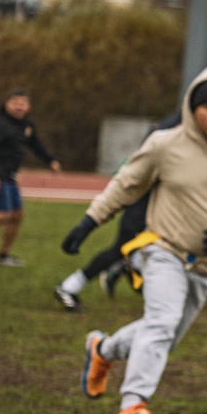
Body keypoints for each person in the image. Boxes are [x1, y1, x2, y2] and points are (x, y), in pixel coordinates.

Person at [60, 66, 207, 414]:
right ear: (191, 108)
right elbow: (125, 186)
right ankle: (131, 406)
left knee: (163, 337)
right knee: (160, 323)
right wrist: (88, 221)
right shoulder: (165, 144)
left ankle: (103, 349)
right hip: (161, 250)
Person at [54, 111, 181, 311]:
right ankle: (70, 286)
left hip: (157, 207)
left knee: (148, 252)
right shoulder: (169, 132)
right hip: (144, 205)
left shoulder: (181, 129)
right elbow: (133, 178)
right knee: (122, 249)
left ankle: (124, 270)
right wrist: (88, 223)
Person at [0, 89, 61, 267]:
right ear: (6, 104)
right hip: (0, 176)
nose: (19, 106)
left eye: (23, 103)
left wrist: (50, 160)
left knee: (17, 215)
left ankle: (3, 256)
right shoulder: (0, 125)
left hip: (11, 176)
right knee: (3, 214)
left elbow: (35, 144)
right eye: (15, 102)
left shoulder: (26, 125)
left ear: (28, 106)